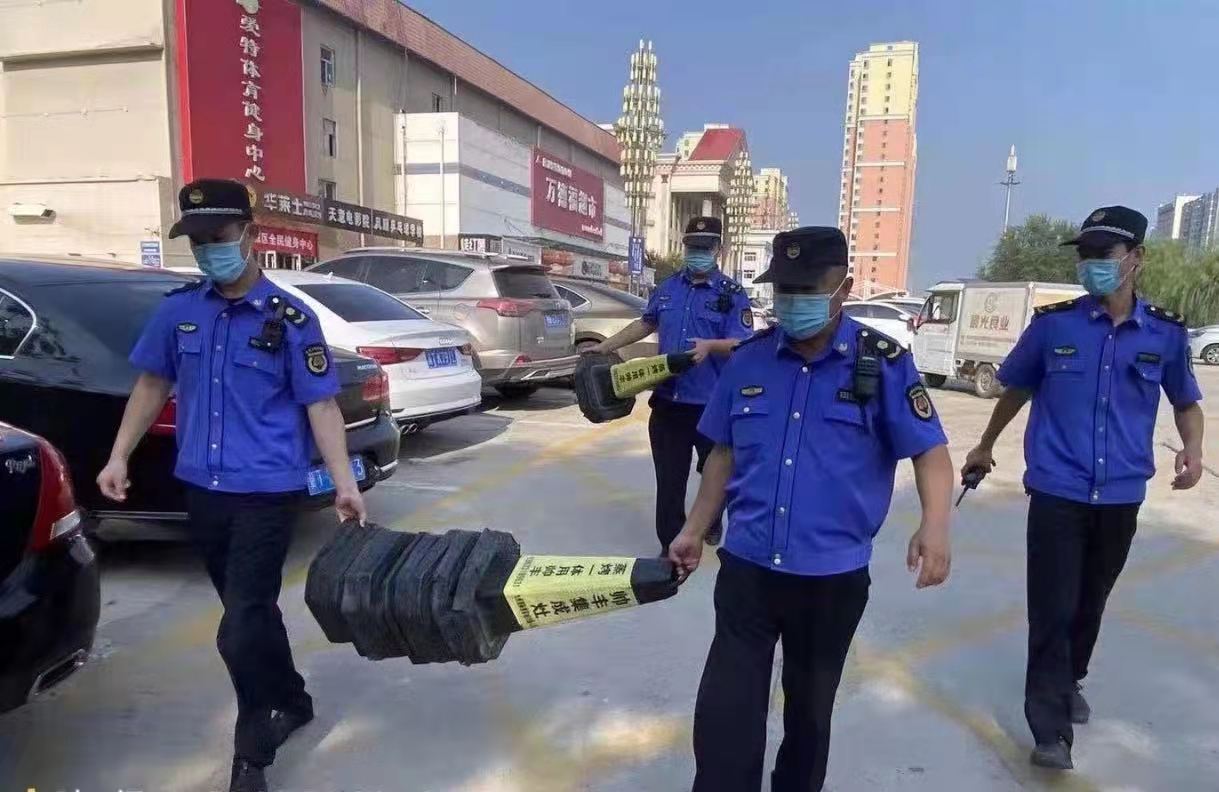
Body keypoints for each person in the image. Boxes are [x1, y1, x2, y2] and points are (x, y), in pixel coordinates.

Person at [97, 179, 368, 792]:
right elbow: (151, 385)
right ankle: (292, 698)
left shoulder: (292, 320)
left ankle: (253, 751)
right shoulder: (179, 311)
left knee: (239, 625)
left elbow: (321, 405)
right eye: (196, 241)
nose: (207, 251)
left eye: (216, 237)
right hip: (203, 489)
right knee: (251, 610)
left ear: (250, 234)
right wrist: (118, 456)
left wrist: (344, 482)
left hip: (267, 491)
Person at [668, 226, 954, 792]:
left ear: (843, 287)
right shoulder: (748, 361)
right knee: (726, 715)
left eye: (806, 289)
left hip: (830, 579)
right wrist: (693, 530)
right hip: (748, 570)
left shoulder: (884, 364)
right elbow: (723, 453)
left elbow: (931, 452)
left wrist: (936, 526)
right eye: (784, 290)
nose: (792, 301)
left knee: (808, 715)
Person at [961, 205, 1205, 770]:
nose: (1091, 264)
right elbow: (1015, 390)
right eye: (1085, 255)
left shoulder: (1165, 333)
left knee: (1090, 601)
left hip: (1121, 494)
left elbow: (1187, 401)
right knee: (1052, 606)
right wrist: (984, 444)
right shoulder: (1054, 327)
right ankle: (1050, 731)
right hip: (1057, 490)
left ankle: (1070, 677)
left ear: (1136, 259)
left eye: (1104, 254)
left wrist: (1193, 449)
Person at [592, 216, 753, 552]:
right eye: (692, 247)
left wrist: (711, 346)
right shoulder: (667, 288)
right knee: (669, 481)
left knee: (717, 474)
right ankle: (670, 547)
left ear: (718, 249)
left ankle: (711, 520)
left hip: (712, 405)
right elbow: (645, 323)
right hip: (668, 403)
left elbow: (743, 343)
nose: (697, 253)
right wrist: (606, 346)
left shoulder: (731, 294)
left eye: (704, 247)